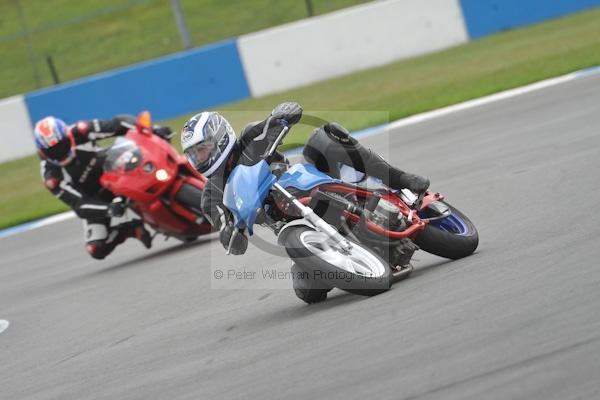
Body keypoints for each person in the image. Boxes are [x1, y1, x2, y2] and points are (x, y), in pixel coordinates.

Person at [180, 102, 429, 255]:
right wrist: (230, 236)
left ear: (220, 137)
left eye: (202, 149)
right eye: (193, 154)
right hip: (285, 222)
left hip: (303, 182)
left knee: (323, 137)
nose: (199, 157)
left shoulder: (248, 137)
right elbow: (225, 227)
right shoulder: (210, 195)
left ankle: (401, 179)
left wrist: (283, 113)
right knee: (308, 291)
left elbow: (274, 122)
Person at [34, 115, 173, 259]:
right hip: (97, 198)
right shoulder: (51, 177)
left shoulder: (81, 131)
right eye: (53, 151)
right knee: (95, 249)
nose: (60, 153)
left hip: (115, 171)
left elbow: (118, 124)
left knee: (146, 159)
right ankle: (131, 230)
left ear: (68, 136)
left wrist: (152, 131)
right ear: (43, 153)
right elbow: (80, 205)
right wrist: (108, 209)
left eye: (62, 145)